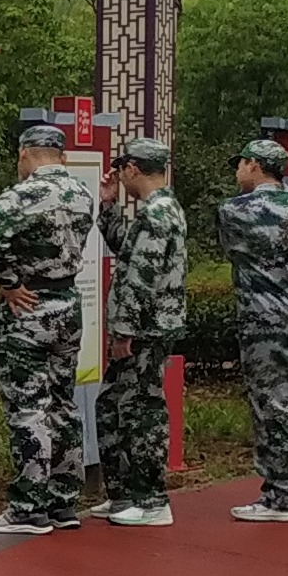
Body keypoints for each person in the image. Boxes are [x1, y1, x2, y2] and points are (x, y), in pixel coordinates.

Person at [0, 121, 96, 536]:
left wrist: (9, 282)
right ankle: (63, 502)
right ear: (62, 156)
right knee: (62, 403)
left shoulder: (22, 194)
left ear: (24, 153)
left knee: (28, 406)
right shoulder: (82, 193)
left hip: (29, 307)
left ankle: (27, 507)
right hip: (68, 305)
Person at [219, 138, 288, 524]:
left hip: (263, 321)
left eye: (241, 163)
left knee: (272, 404)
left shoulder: (233, 211)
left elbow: (233, 252)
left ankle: (280, 496)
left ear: (254, 165)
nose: (237, 170)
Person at [96, 137, 187, 528]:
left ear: (132, 169)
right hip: (145, 327)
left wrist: (124, 330)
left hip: (145, 329)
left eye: (122, 170)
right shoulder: (160, 209)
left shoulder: (157, 213)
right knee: (113, 404)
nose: (120, 177)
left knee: (141, 410)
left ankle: (151, 500)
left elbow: (141, 278)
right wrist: (108, 206)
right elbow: (129, 253)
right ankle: (124, 494)